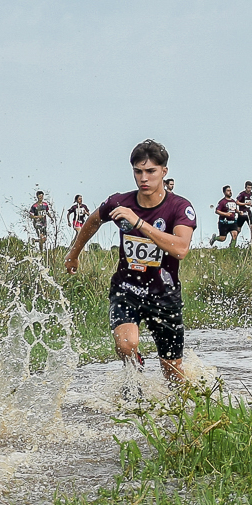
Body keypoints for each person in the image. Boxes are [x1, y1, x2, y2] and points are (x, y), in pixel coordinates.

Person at [65, 140, 197, 386]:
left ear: (164, 172)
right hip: (127, 288)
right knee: (126, 344)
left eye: (151, 171)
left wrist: (138, 223)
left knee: (172, 372)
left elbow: (181, 248)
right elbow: (93, 220)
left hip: (164, 294)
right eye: (138, 171)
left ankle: (185, 410)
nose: (144, 178)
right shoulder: (120, 202)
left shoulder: (179, 207)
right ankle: (134, 383)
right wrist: (74, 253)